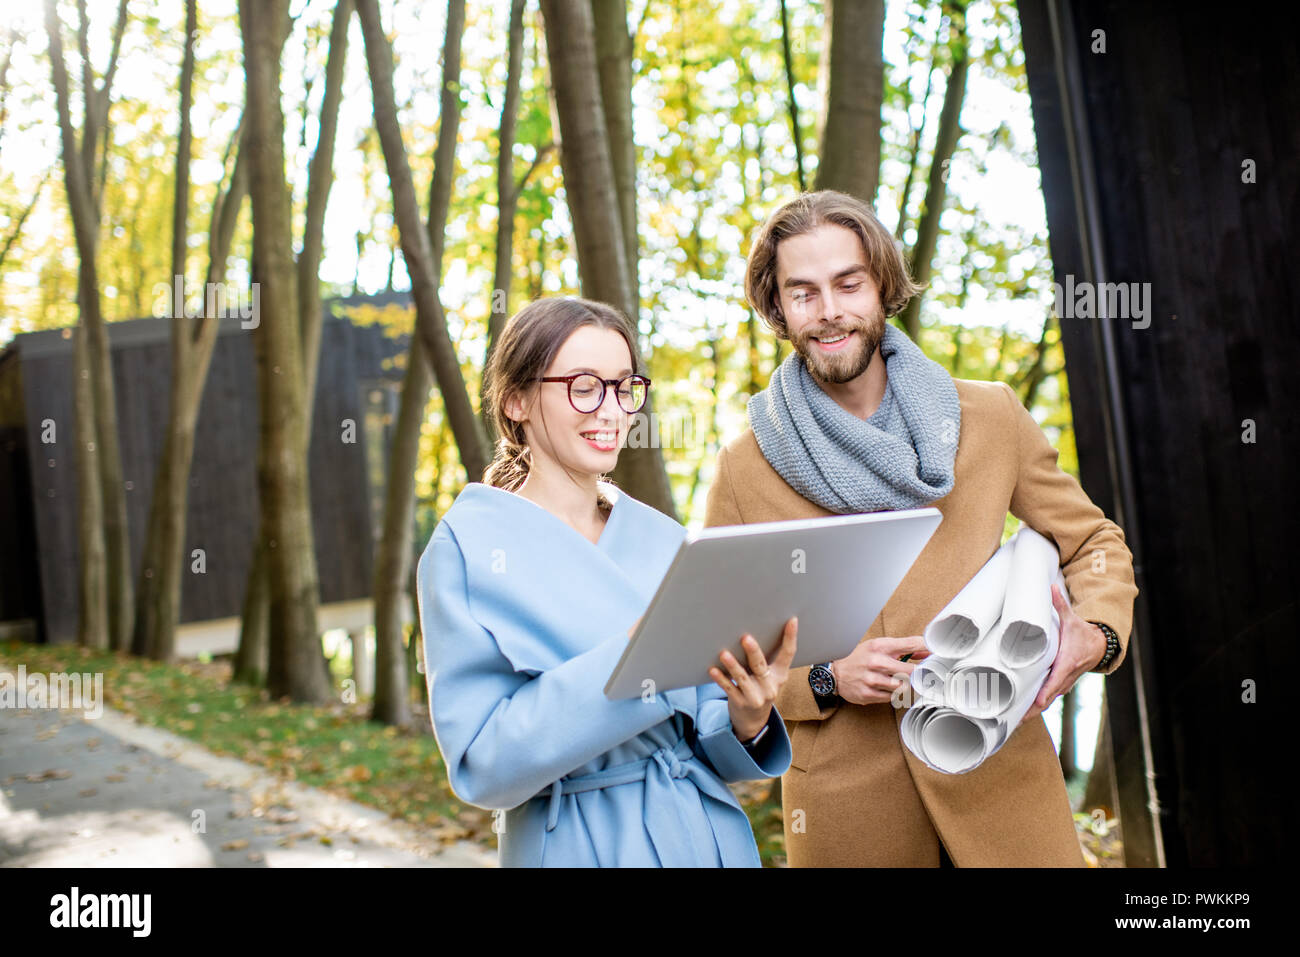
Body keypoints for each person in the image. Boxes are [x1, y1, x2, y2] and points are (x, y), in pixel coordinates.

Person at [704, 190, 1138, 867]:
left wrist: (1097, 633)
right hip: (848, 814)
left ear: (882, 285)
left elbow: (1093, 543)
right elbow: (720, 650)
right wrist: (826, 679)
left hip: (1003, 780)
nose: (829, 311)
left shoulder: (990, 416)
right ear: (778, 306)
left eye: (848, 283)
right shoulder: (744, 465)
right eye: (803, 292)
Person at [417, 296, 797, 867]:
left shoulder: (663, 535)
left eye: (623, 387)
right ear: (517, 400)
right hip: (575, 841)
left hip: (703, 833)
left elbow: (703, 731)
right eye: (583, 386)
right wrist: (631, 659)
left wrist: (747, 718)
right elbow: (481, 764)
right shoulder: (467, 548)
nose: (613, 410)